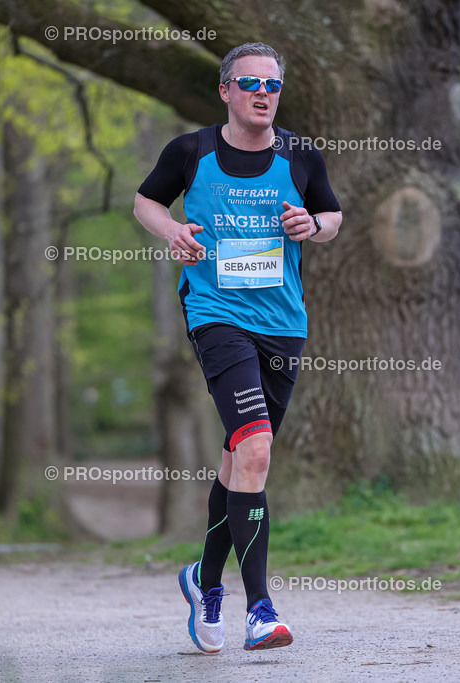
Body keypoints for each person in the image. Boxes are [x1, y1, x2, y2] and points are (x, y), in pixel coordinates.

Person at [133, 42, 342, 653]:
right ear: (225, 90)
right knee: (254, 448)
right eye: (248, 82)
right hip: (216, 314)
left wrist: (314, 225)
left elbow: (332, 215)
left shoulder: (301, 154)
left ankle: (203, 580)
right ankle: (261, 610)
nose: (262, 93)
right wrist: (172, 229)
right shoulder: (191, 153)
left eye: (272, 85)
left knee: (240, 461)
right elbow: (145, 200)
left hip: (283, 323)